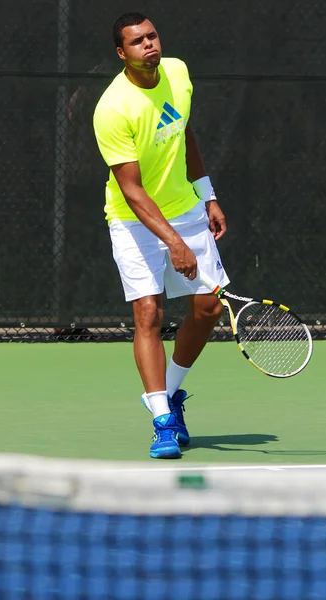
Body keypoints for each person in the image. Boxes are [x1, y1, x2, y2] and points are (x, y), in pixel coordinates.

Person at [93, 12, 229, 459]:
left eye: (152, 36)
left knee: (208, 308)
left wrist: (207, 195)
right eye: (137, 41)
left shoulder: (178, 72)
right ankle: (162, 421)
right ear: (122, 53)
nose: (149, 45)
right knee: (148, 315)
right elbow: (131, 190)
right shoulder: (113, 109)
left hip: (185, 208)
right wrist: (173, 242)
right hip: (134, 220)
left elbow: (183, 131)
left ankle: (169, 393)